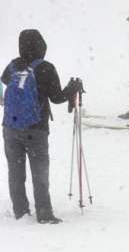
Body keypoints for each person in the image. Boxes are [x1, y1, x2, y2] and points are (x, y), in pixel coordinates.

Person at [1, 29, 82, 223]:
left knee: (15, 172)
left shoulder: (12, 65)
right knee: (39, 172)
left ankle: (20, 211)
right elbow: (56, 98)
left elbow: (4, 81)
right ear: (41, 45)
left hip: (10, 129)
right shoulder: (45, 68)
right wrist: (72, 89)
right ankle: (44, 213)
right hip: (35, 129)